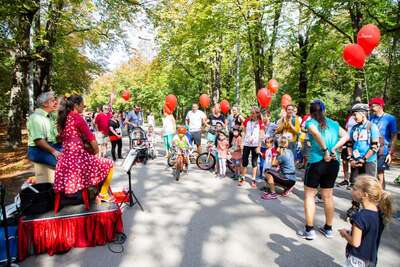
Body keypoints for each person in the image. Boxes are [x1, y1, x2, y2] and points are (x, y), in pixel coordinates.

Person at [297, 99, 348, 240]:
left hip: (316, 162)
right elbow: (346, 136)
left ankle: (309, 230)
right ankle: (328, 228)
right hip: (333, 162)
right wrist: (334, 148)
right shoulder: (334, 123)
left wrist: (325, 150)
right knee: (328, 196)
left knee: (309, 195)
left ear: (311, 111)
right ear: (324, 110)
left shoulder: (310, 122)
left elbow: (315, 133)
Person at [54, 95, 114, 202]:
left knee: (97, 164)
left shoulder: (63, 118)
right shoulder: (77, 117)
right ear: (76, 105)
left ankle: (95, 192)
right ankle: (103, 194)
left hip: (65, 160)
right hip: (77, 161)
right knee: (109, 164)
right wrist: (96, 151)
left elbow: (59, 138)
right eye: (82, 105)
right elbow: (91, 138)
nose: (84, 107)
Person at [339, 175, 393, 267]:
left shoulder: (360, 216)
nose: (352, 190)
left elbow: (355, 243)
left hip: (357, 260)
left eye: (355, 188)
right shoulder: (380, 213)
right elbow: (369, 233)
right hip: (371, 259)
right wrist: (353, 232)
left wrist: (345, 234)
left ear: (365, 194)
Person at [27, 91, 62, 167]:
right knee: (65, 162)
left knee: (76, 154)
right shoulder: (36, 117)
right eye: (52, 100)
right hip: (37, 150)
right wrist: (54, 152)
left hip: (52, 145)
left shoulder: (50, 115)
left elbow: (61, 112)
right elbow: (39, 141)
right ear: (45, 104)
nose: (55, 102)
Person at [369, 97, 398, 187]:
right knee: (372, 173)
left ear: (380, 106)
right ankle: (378, 194)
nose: (371, 108)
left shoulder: (390, 118)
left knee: (380, 173)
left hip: (383, 149)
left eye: (372, 106)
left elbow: (394, 136)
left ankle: (381, 196)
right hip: (371, 148)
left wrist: (390, 152)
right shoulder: (370, 118)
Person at [239, 107, 265, 188]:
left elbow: (261, 135)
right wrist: (242, 143)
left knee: (254, 162)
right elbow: (243, 131)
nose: (251, 115)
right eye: (251, 113)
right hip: (246, 144)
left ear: (257, 114)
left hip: (255, 145)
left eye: (253, 113)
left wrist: (259, 146)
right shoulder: (247, 120)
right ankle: (242, 178)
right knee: (244, 162)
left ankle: (253, 180)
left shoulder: (260, 122)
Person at [258, 110, 277, 181]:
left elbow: (278, 131)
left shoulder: (273, 125)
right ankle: (261, 175)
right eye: (262, 116)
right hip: (262, 146)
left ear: (269, 117)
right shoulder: (261, 125)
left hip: (270, 148)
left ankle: (268, 177)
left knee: (268, 163)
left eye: (265, 116)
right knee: (261, 163)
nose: (263, 118)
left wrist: (273, 138)